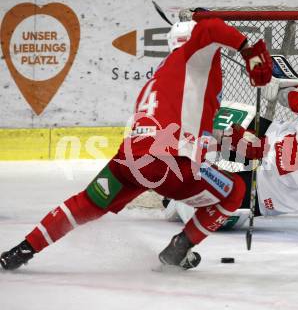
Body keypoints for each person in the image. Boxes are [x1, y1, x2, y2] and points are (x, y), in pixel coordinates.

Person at [0, 18, 272, 271]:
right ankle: (178, 250)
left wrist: (232, 143)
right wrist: (249, 49)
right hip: (167, 163)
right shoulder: (193, 55)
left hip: (131, 160)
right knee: (234, 190)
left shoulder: (161, 78)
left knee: (87, 202)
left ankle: (24, 249)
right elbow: (211, 28)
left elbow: (184, 131)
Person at [164, 70, 298, 247]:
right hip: (265, 138)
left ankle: (175, 196)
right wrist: (275, 82)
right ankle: (168, 139)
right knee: (212, 116)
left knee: (211, 212)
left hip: (265, 191)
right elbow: (294, 86)